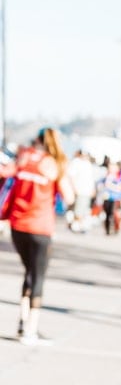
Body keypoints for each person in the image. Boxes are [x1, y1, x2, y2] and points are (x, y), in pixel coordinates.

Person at [2, 128, 75, 344]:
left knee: (29, 272)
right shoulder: (53, 164)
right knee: (38, 276)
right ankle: (30, 330)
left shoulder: (23, 158)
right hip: (40, 227)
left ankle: (23, 323)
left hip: (17, 225)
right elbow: (69, 196)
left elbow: (5, 175)